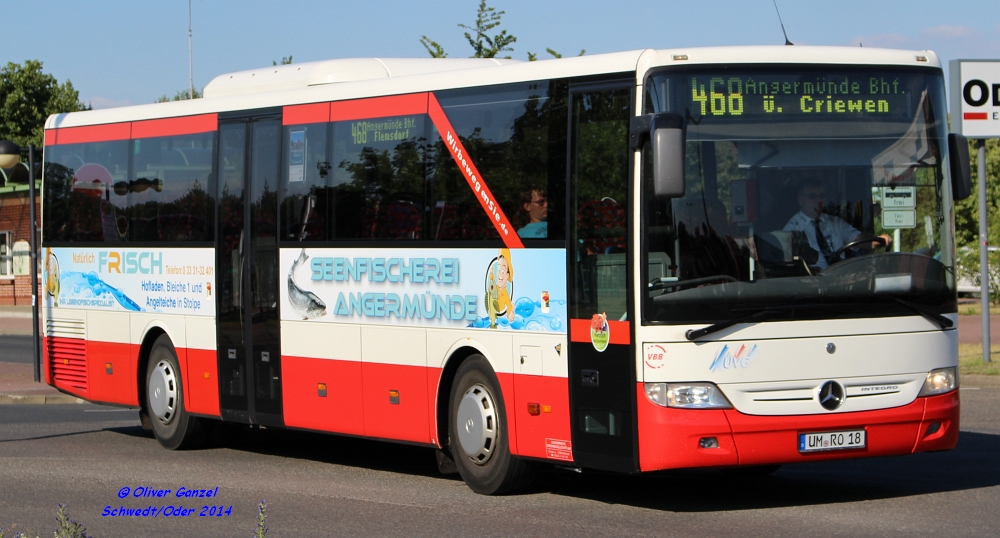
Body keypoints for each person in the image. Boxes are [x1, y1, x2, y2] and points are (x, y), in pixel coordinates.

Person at [783, 179, 867, 270]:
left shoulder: (835, 222)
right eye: (813, 196)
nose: (818, 200)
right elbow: (789, 267)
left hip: (842, 276)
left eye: (822, 196)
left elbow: (858, 238)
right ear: (800, 200)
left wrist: (875, 241)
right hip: (814, 281)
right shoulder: (791, 229)